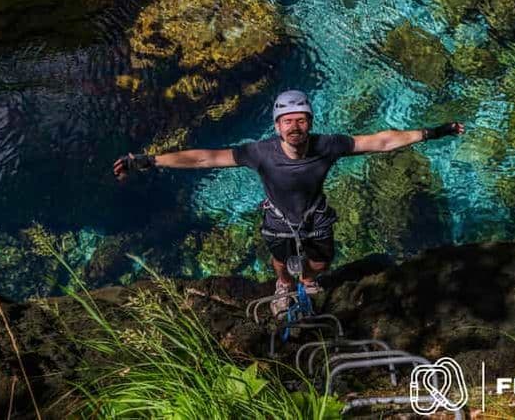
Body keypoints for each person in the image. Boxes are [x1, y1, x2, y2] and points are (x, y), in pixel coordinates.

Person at [113, 90, 464, 316]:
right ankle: (284, 286)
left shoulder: (328, 145)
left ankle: (307, 281)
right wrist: (149, 160)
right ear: (277, 126)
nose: (294, 126)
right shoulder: (258, 153)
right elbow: (204, 158)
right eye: (288, 121)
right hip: (279, 219)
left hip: (316, 218)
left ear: (310, 122)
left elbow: (381, 141)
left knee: (322, 261)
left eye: (301, 120)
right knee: (281, 261)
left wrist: (432, 132)